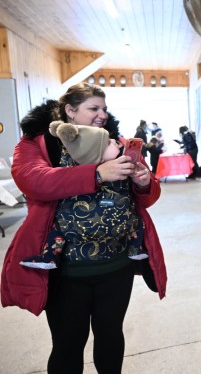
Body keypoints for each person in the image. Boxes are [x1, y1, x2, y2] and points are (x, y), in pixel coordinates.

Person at [0, 83, 167, 374]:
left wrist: (143, 183)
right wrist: (97, 173)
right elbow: (34, 181)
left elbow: (147, 198)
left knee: (111, 335)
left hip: (116, 265)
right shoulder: (38, 144)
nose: (102, 114)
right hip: (67, 269)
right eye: (94, 108)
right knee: (67, 343)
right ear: (70, 111)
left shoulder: (115, 142)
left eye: (104, 108)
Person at [19, 121, 148, 270]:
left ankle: (50, 256)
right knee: (136, 221)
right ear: (96, 153)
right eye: (108, 143)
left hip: (75, 226)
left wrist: (143, 181)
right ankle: (135, 248)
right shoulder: (118, 165)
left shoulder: (69, 167)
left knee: (56, 230)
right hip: (118, 225)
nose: (117, 143)